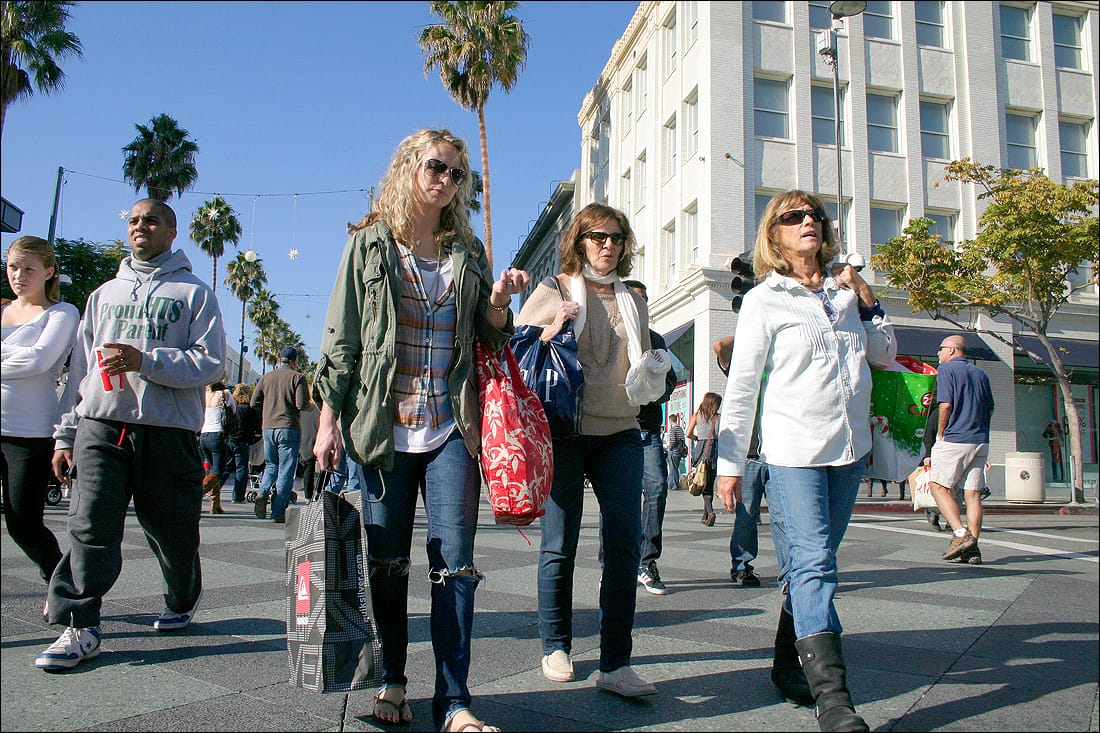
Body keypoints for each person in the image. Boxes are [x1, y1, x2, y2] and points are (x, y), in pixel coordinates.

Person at [312, 128, 529, 733]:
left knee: (454, 562)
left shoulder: (467, 249)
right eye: (437, 167)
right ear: (409, 167)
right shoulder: (369, 245)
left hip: (450, 425)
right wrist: (328, 422)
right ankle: (392, 681)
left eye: (458, 173)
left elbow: (485, 336)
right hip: (382, 428)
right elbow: (343, 338)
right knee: (386, 563)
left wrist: (501, 303)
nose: (447, 180)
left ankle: (454, 701)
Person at [715, 189, 896, 730]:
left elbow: (885, 355)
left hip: (848, 451)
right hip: (792, 451)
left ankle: (787, 667)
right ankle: (834, 702)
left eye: (814, 215)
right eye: (792, 217)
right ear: (775, 234)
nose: (807, 223)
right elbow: (744, 387)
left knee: (805, 569)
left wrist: (867, 297)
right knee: (817, 563)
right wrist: (729, 466)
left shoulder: (844, 297)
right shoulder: (764, 300)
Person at [36, 198, 226, 671]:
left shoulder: (195, 294)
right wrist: (66, 433)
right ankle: (80, 624)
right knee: (91, 526)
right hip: (102, 426)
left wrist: (147, 360)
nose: (141, 226)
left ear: (172, 232)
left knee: (172, 531)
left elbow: (211, 362)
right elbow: (79, 370)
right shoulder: (102, 295)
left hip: (167, 432)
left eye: (152, 220)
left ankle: (181, 597)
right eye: (135, 220)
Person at [517, 201, 668, 700]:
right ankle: (555, 644)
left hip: (621, 429)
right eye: (597, 236)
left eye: (617, 237)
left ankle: (615, 663)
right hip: (566, 429)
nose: (608, 245)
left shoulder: (634, 300)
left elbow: (638, 365)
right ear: (579, 242)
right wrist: (553, 325)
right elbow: (516, 352)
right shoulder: (554, 289)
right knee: (559, 543)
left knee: (624, 544)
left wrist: (655, 367)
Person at [1, 236, 80, 606]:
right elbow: (25, 359)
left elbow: (40, 360)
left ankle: (60, 584)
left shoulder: (62, 313)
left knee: (23, 523)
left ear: (48, 271)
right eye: (13, 266)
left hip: (28, 434)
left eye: (28, 269)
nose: (18, 275)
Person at [622, 279, 676, 596]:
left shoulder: (656, 341)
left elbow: (670, 379)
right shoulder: (613, 333)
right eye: (634, 299)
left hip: (648, 430)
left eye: (645, 299)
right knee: (616, 501)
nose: (641, 304)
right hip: (615, 428)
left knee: (656, 490)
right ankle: (613, 565)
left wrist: (653, 392)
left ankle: (647, 561)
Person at [929, 335, 995, 565]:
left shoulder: (946, 371)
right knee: (973, 494)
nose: (938, 353)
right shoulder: (981, 373)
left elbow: (945, 404)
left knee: (937, 486)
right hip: (980, 438)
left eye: (940, 349)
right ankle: (973, 547)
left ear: (952, 350)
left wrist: (941, 431)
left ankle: (960, 533)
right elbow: (991, 407)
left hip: (955, 438)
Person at [713, 336, 763, 588]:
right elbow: (720, 346)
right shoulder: (745, 366)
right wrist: (753, 320)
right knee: (746, 516)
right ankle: (742, 566)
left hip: (783, 452)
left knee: (788, 519)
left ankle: (793, 572)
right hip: (751, 455)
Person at [251, 345, 308, 523]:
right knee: (286, 470)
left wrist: (267, 411)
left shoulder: (266, 377)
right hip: (288, 427)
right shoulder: (298, 377)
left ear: (279, 360)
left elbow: (254, 402)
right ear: (294, 361)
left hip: (268, 427)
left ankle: (262, 492)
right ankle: (277, 512)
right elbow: (301, 404)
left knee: (271, 465)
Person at [686, 392, 722, 526]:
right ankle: (705, 514)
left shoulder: (697, 416)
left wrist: (697, 439)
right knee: (709, 483)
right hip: (715, 450)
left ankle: (710, 512)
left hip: (702, 449)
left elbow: (688, 433)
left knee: (702, 482)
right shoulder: (718, 418)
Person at [199, 381, 234, 513]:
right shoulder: (224, 393)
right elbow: (233, 409)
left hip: (204, 434)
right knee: (218, 471)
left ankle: (216, 504)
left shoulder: (204, 394)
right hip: (217, 435)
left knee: (213, 470)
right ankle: (200, 491)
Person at [226, 383, 261, 503]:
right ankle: (237, 496)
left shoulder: (232, 408)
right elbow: (256, 426)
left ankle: (213, 489)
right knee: (241, 468)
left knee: (225, 468)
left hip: (230, 439)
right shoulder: (248, 410)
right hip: (242, 441)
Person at [297, 391, 319, 500]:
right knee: (321, 466)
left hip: (303, 439)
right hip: (317, 438)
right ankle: (317, 491)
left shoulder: (301, 410)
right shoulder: (320, 409)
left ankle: (308, 495)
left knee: (307, 467)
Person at [664, 413, 687, 492]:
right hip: (679, 451)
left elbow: (672, 441)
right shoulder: (680, 428)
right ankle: (672, 484)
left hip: (673, 451)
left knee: (672, 469)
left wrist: (669, 448)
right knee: (675, 468)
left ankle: (673, 485)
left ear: (670, 420)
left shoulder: (672, 429)